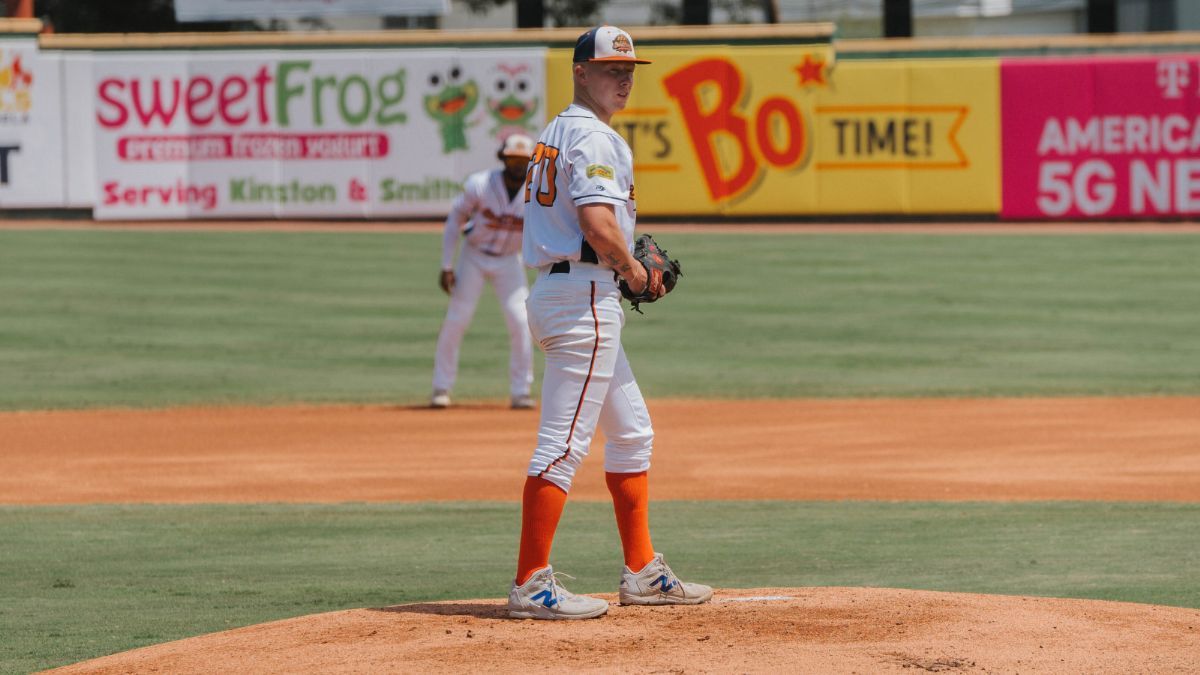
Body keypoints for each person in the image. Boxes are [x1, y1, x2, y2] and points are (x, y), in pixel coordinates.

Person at [506, 25, 712, 620]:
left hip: (565, 291)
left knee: (633, 431)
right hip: (582, 300)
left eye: (628, 71)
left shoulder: (556, 130)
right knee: (562, 445)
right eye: (610, 69)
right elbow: (597, 224)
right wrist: (634, 271)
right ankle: (531, 582)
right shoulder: (595, 136)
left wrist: (616, 266)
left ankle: (642, 570)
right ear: (580, 72)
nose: (623, 79)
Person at [430, 134, 536, 410]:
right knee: (457, 319)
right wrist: (447, 264)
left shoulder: (537, 193)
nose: (517, 165)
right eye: (513, 158)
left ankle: (521, 391)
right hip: (474, 256)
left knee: (521, 322)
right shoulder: (480, 184)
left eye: (523, 160)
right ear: (503, 158)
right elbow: (455, 220)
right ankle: (441, 387)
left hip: (509, 261)